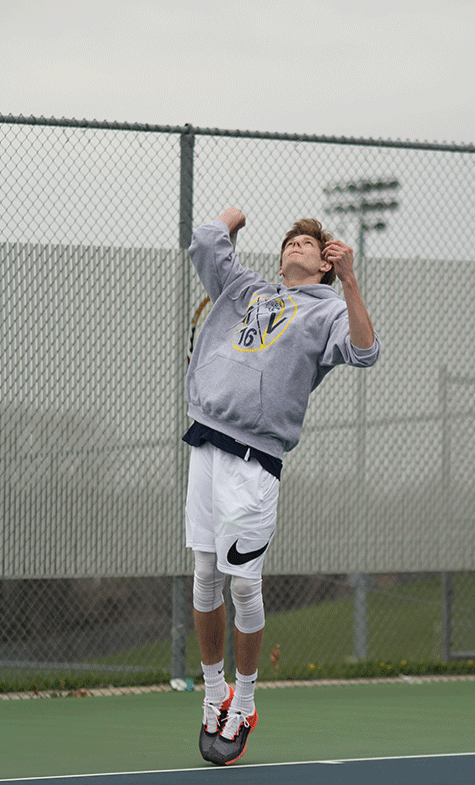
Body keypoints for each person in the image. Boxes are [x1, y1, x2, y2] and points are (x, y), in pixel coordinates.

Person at [183, 207, 381, 766]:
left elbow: (365, 350)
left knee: (243, 587)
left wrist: (351, 280)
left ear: (322, 264)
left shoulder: (328, 311)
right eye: (291, 240)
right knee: (203, 574)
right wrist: (233, 217)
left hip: (255, 458)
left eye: (309, 244)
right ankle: (213, 692)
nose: (297, 244)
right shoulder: (247, 289)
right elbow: (204, 242)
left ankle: (244, 703)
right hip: (205, 445)